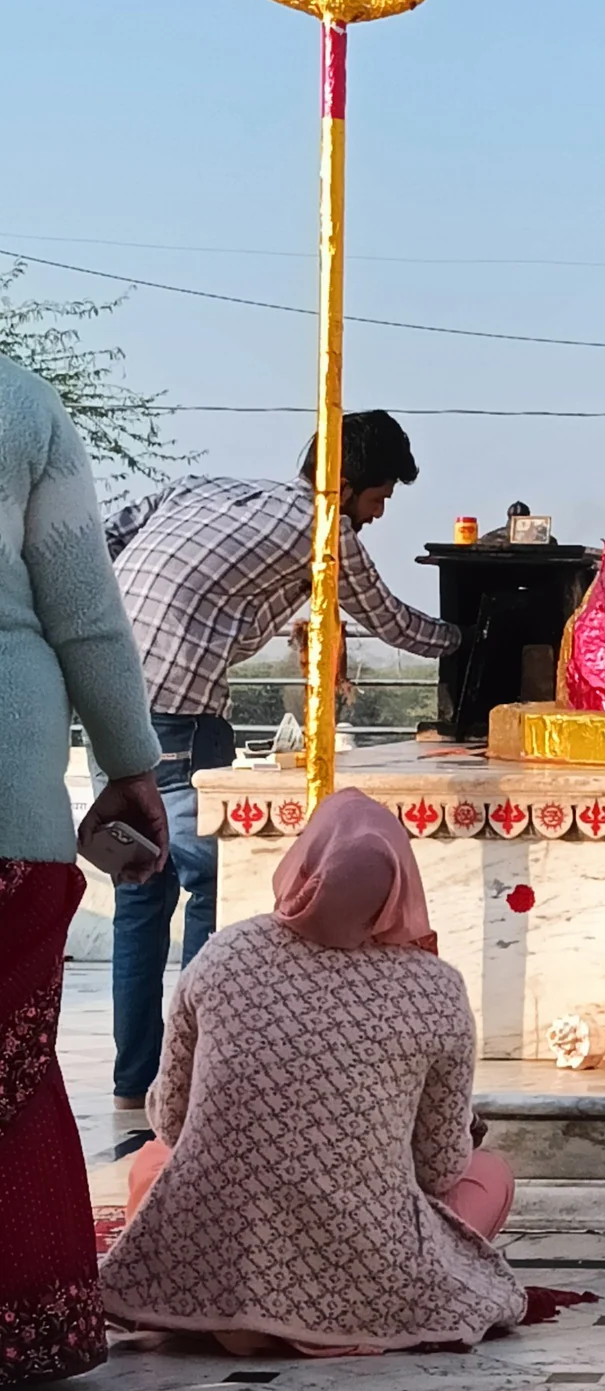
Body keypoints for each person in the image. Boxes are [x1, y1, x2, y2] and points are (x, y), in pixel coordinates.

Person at [102, 411, 459, 1112]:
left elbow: (109, 531)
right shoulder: (327, 531)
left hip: (107, 691)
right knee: (216, 880)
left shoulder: (203, 488)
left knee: (139, 893)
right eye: (380, 497)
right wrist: (470, 638)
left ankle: (134, 1075)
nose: (378, 515)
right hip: (178, 707)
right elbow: (391, 621)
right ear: (350, 485)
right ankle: (202, 1065)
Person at [100, 790, 527, 1355]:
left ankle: (230, 1310)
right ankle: (321, 1316)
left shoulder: (226, 953)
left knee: (152, 1165)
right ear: (401, 884)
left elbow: (174, 1121)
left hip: (218, 1254)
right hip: (366, 1268)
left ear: (304, 862)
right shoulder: (436, 987)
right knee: (489, 1176)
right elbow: (438, 1166)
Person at [0, 350, 169, 1390]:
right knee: (8, 1079)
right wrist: (131, 767)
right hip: (8, 813)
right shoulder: (19, 402)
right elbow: (83, 609)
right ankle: (24, 1333)